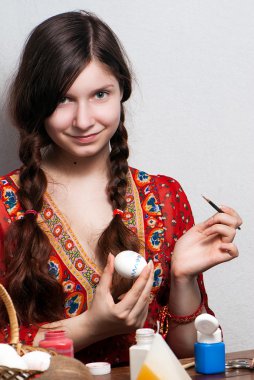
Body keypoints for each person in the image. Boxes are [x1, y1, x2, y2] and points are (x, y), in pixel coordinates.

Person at [0, 10, 242, 366]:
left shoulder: (163, 196)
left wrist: (183, 278)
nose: (84, 120)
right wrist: (92, 326)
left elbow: (188, 356)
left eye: (100, 94)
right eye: (63, 99)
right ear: (38, 103)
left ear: (121, 90)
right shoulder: (6, 206)